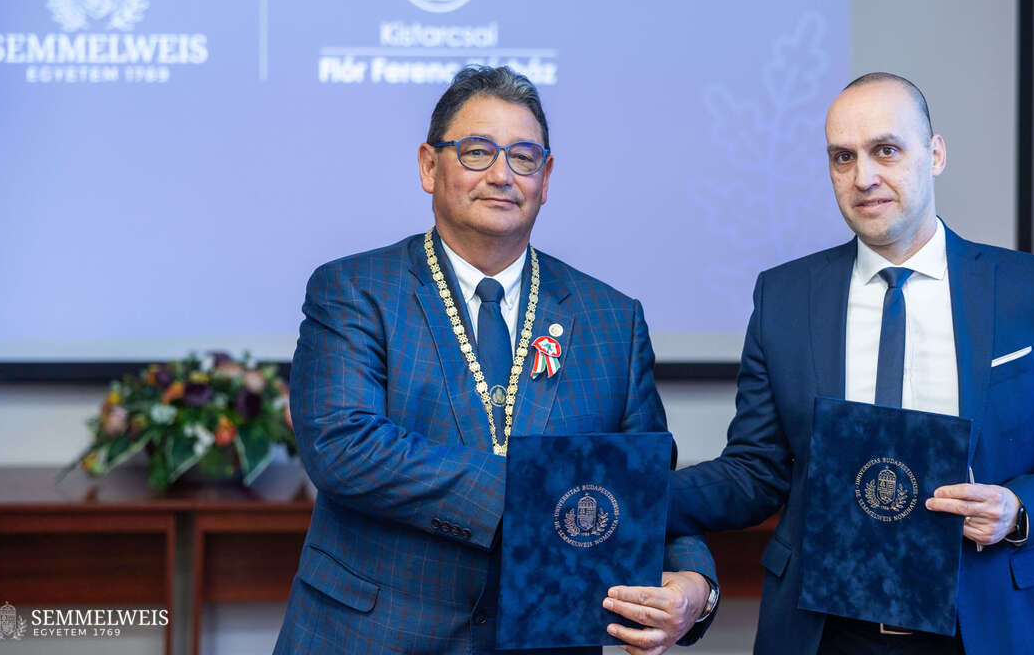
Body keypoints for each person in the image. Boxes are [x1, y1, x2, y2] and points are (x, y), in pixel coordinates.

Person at [660, 73, 1034, 654]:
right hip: (823, 631)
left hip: (979, 627)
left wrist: (1020, 509)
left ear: (935, 154)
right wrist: (630, 492)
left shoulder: (1029, 291)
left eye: (885, 150)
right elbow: (755, 473)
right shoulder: (785, 297)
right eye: (843, 157)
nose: (863, 177)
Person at [274, 65, 717, 655]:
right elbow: (345, 447)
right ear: (429, 166)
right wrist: (537, 493)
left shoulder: (612, 319)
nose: (503, 175)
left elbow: (644, 479)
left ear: (546, 177)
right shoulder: (356, 290)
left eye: (524, 157)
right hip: (374, 635)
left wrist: (696, 583)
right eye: (478, 152)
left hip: (545, 638)